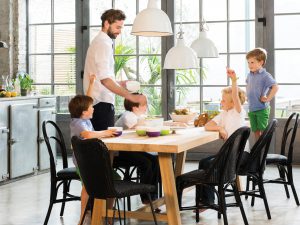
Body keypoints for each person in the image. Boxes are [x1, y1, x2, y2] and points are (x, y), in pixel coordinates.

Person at [83, 9, 146, 132]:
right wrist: (131, 98)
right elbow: (105, 80)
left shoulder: (101, 42)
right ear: (107, 24)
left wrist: (120, 83)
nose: (119, 32)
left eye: (121, 28)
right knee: (105, 146)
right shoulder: (103, 44)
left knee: (102, 145)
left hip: (98, 103)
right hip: (101, 104)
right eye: (117, 27)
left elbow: (101, 76)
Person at [197, 68, 248, 207]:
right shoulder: (224, 113)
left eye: (224, 100)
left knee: (208, 164)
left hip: (240, 155)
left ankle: (207, 201)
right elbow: (207, 126)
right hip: (229, 155)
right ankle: (206, 200)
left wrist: (233, 80)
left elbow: (236, 97)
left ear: (232, 103)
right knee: (203, 163)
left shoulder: (238, 112)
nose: (221, 102)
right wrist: (219, 128)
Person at [68, 94, 119, 225]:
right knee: (88, 187)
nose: (94, 109)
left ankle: (108, 212)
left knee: (113, 179)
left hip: (95, 160)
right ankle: (82, 217)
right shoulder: (77, 123)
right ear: (84, 112)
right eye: (91, 107)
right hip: (84, 163)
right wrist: (105, 133)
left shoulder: (86, 121)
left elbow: (92, 135)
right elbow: (88, 134)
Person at [114, 94, 160, 204]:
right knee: (146, 163)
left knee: (155, 160)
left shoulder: (137, 116)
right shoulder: (128, 116)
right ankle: (146, 197)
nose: (146, 106)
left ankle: (152, 195)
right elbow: (138, 127)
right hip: (119, 153)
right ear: (135, 107)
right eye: (144, 104)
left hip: (131, 150)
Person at [245, 48, 279, 139]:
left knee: (263, 131)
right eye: (248, 62)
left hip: (261, 108)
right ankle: (258, 152)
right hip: (252, 108)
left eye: (252, 62)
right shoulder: (249, 75)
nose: (249, 65)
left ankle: (264, 152)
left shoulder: (265, 75)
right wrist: (247, 96)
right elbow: (249, 86)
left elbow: (275, 87)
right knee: (256, 131)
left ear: (261, 62)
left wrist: (268, 99)